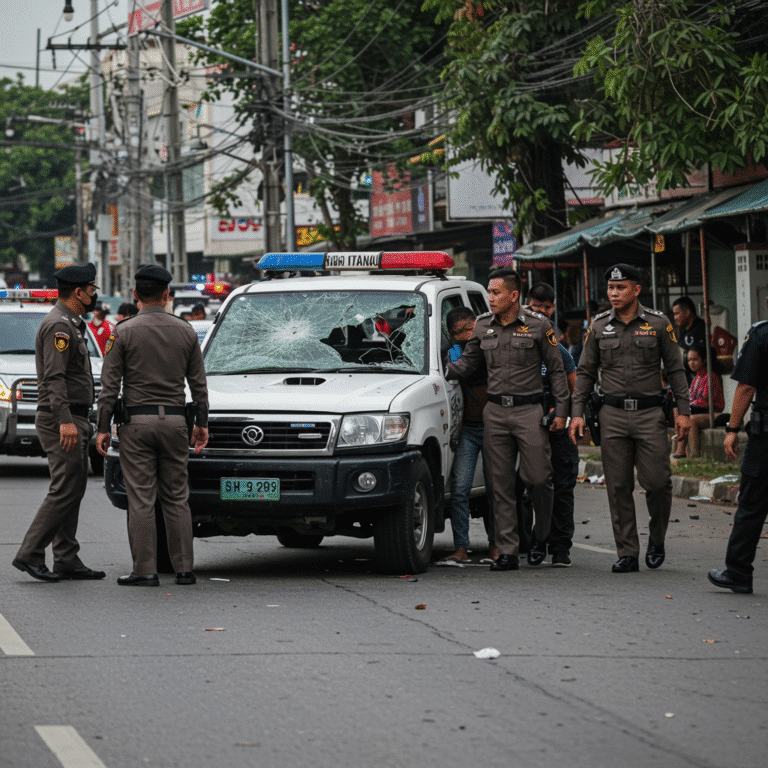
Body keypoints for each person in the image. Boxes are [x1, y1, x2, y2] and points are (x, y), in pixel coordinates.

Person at [446, 268, 569, 572]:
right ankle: (509, 551)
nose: (490, 298)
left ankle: (540, 538)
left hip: (530, 411)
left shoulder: (540, 326)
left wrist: (562, 412)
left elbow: (556, 371)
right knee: (499, 486)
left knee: (539, 479)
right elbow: (467, 363)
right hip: (495, 413)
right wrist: (437, 372)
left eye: (496, 292)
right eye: (488, 292)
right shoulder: (482, 327)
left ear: (514, 295)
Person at [570, 264, 691, 573]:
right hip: (611, 415)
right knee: (618, 486)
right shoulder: (597, 327)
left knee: (658, 483)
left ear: (636, 290)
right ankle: (627, 551)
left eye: (621, 287)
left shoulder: (658, 323)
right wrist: (577, 413)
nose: (614, 293)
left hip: (650, 414)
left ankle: (657, 538)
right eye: (611, 288)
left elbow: (676, 369)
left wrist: (683, 411)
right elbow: (584, 372)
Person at [95, 265, 209, 587]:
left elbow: (109, 386)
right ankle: (184, 570)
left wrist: (103, 427)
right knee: (177, 497)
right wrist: (201, 423)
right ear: (166, 295)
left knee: (142, 498)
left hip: (137, 424)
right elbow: (198, 385)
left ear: (135, 296)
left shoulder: (123, 331)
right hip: (175, 422)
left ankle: (145, 570)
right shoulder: (186, 330)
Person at [12, 263, 106, 582]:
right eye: (91, 290)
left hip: (72, 417)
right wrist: (65, 421)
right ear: (78, 292)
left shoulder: (70, 323)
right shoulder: (59, 326)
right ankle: (30, 554)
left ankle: (66, 557)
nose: (94, 295)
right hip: (61, 420)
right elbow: (54, 378)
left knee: (73, 487)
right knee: (64, 488)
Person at [708, 316, 768, 594]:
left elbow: (746, 386)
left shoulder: (761, 334)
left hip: (765, 440)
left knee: (752, 504)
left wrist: (732, 428)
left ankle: (739, 573)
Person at [527, 282, 579, 567]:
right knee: (531, 488)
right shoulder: (516, 345)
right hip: (525, 427)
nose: (541, 313)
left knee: (562, 488)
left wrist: (570, 418)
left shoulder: (561, 351)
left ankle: (560, 548)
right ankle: (535, 541)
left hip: (558, 426)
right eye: (536, 307)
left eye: (547, 308)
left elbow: (575, 389)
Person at [440, 307, 497, 564]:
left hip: (495, 428)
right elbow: (452, 370)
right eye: (458, 332)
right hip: (469, 430)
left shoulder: (492, 345)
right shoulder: (454, 352)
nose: (464, 336)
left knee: (497, 490)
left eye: (469, 329)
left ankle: (496, 545)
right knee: (460, 489)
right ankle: (461, 548)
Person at [673, 344, 724, 458]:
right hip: (699, 411)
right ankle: (681, 449)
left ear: (704, 360)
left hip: (713, 413)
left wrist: (688, 405)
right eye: (689, 360)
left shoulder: (710, 377)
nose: (691, 363)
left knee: (690, 419)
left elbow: (705, 403)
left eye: (695, 359)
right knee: (678, 409)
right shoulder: (696, 378)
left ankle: (694, 455)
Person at [672, 297, 707, 383]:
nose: (675, 318)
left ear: (687, 312)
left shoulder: (702, 328)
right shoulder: (683, 331)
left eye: (677, 313)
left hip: (703, 380)